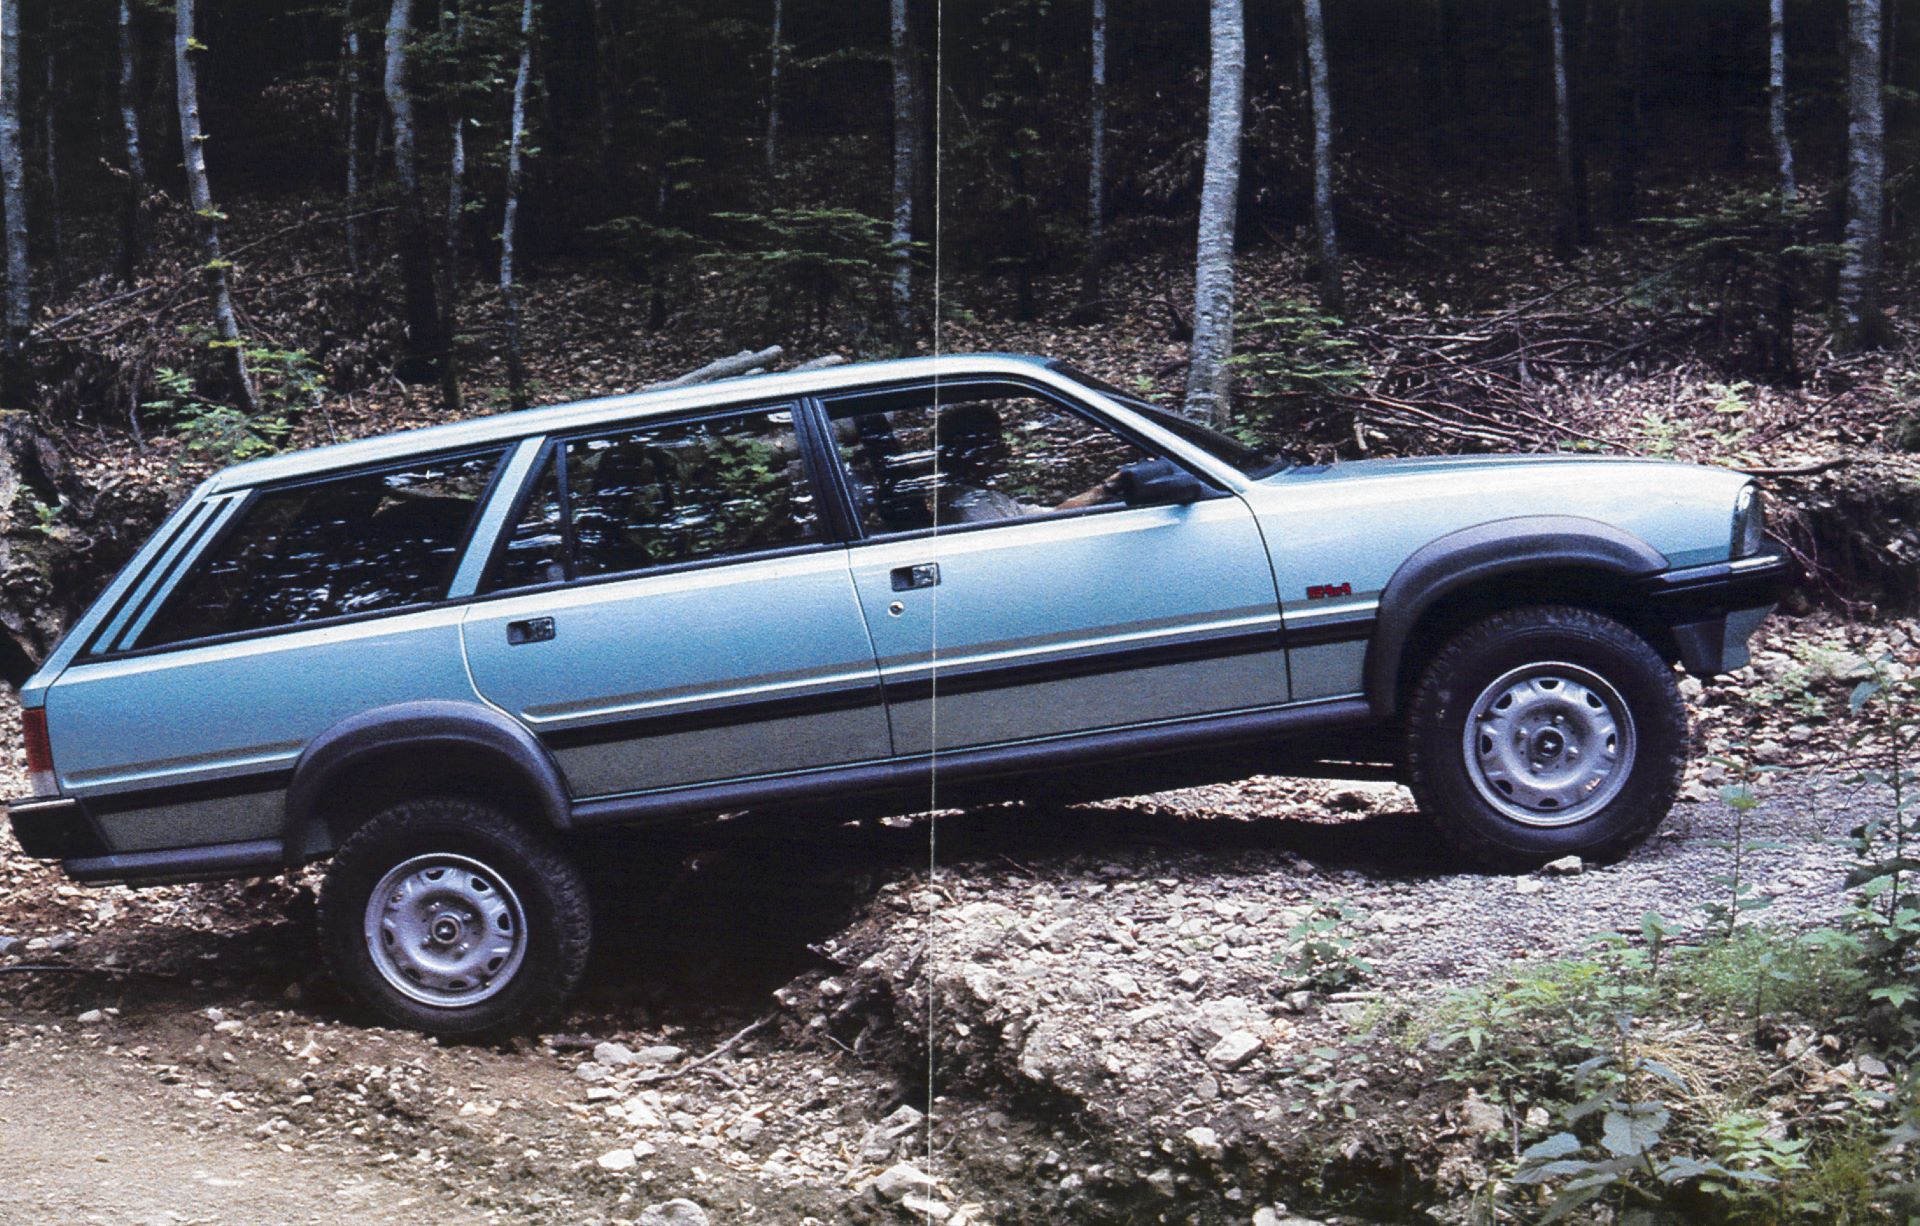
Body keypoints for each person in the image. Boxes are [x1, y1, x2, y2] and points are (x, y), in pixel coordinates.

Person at [933, 402, 1125, 523]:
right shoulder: (971, 506)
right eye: (995, 441)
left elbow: (1054, 514)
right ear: (971, 450)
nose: (1005, 449)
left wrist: (1106, 488)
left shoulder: (982, 497)